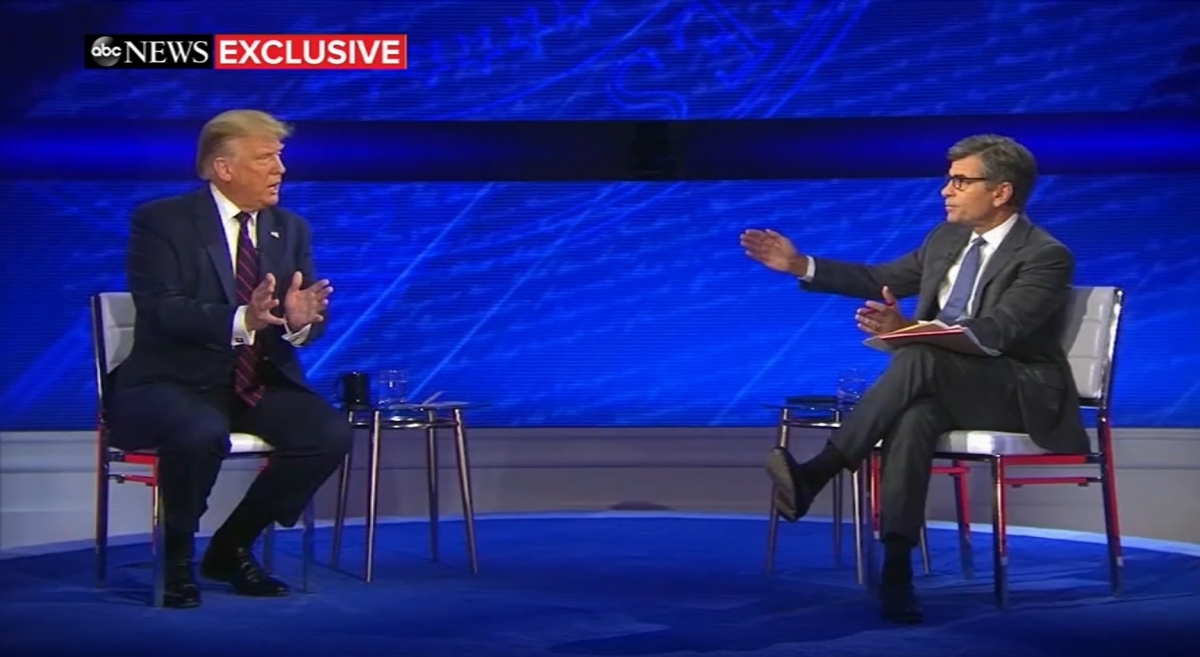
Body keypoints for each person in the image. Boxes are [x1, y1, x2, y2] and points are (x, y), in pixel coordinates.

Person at [739, 134, 1088, 624]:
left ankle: (817, 471)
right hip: (945, 384)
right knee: (914, 417)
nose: (946, 189)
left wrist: (908, 330)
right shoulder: (945, 239)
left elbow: (997, 334)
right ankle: (897, 572)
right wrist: (800, 265)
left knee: (918, 355)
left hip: (1015, 391)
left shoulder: (1045, 255)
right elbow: (877, 277)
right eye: (949, 179)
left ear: (1001, 192)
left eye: (961, 180)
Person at [107, 109, 353, 608]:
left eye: (280, 157)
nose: (280, 169)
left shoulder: (291, 229)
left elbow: (302, 316)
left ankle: (231, 545)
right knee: (199, 432)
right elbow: (162, 309)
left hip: (253, 382)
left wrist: (298, 320)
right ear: (224, 168)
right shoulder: (163, 222)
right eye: (266, 158)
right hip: (170, 382)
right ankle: (176, 559)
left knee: (326, 434)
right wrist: (244, 319)